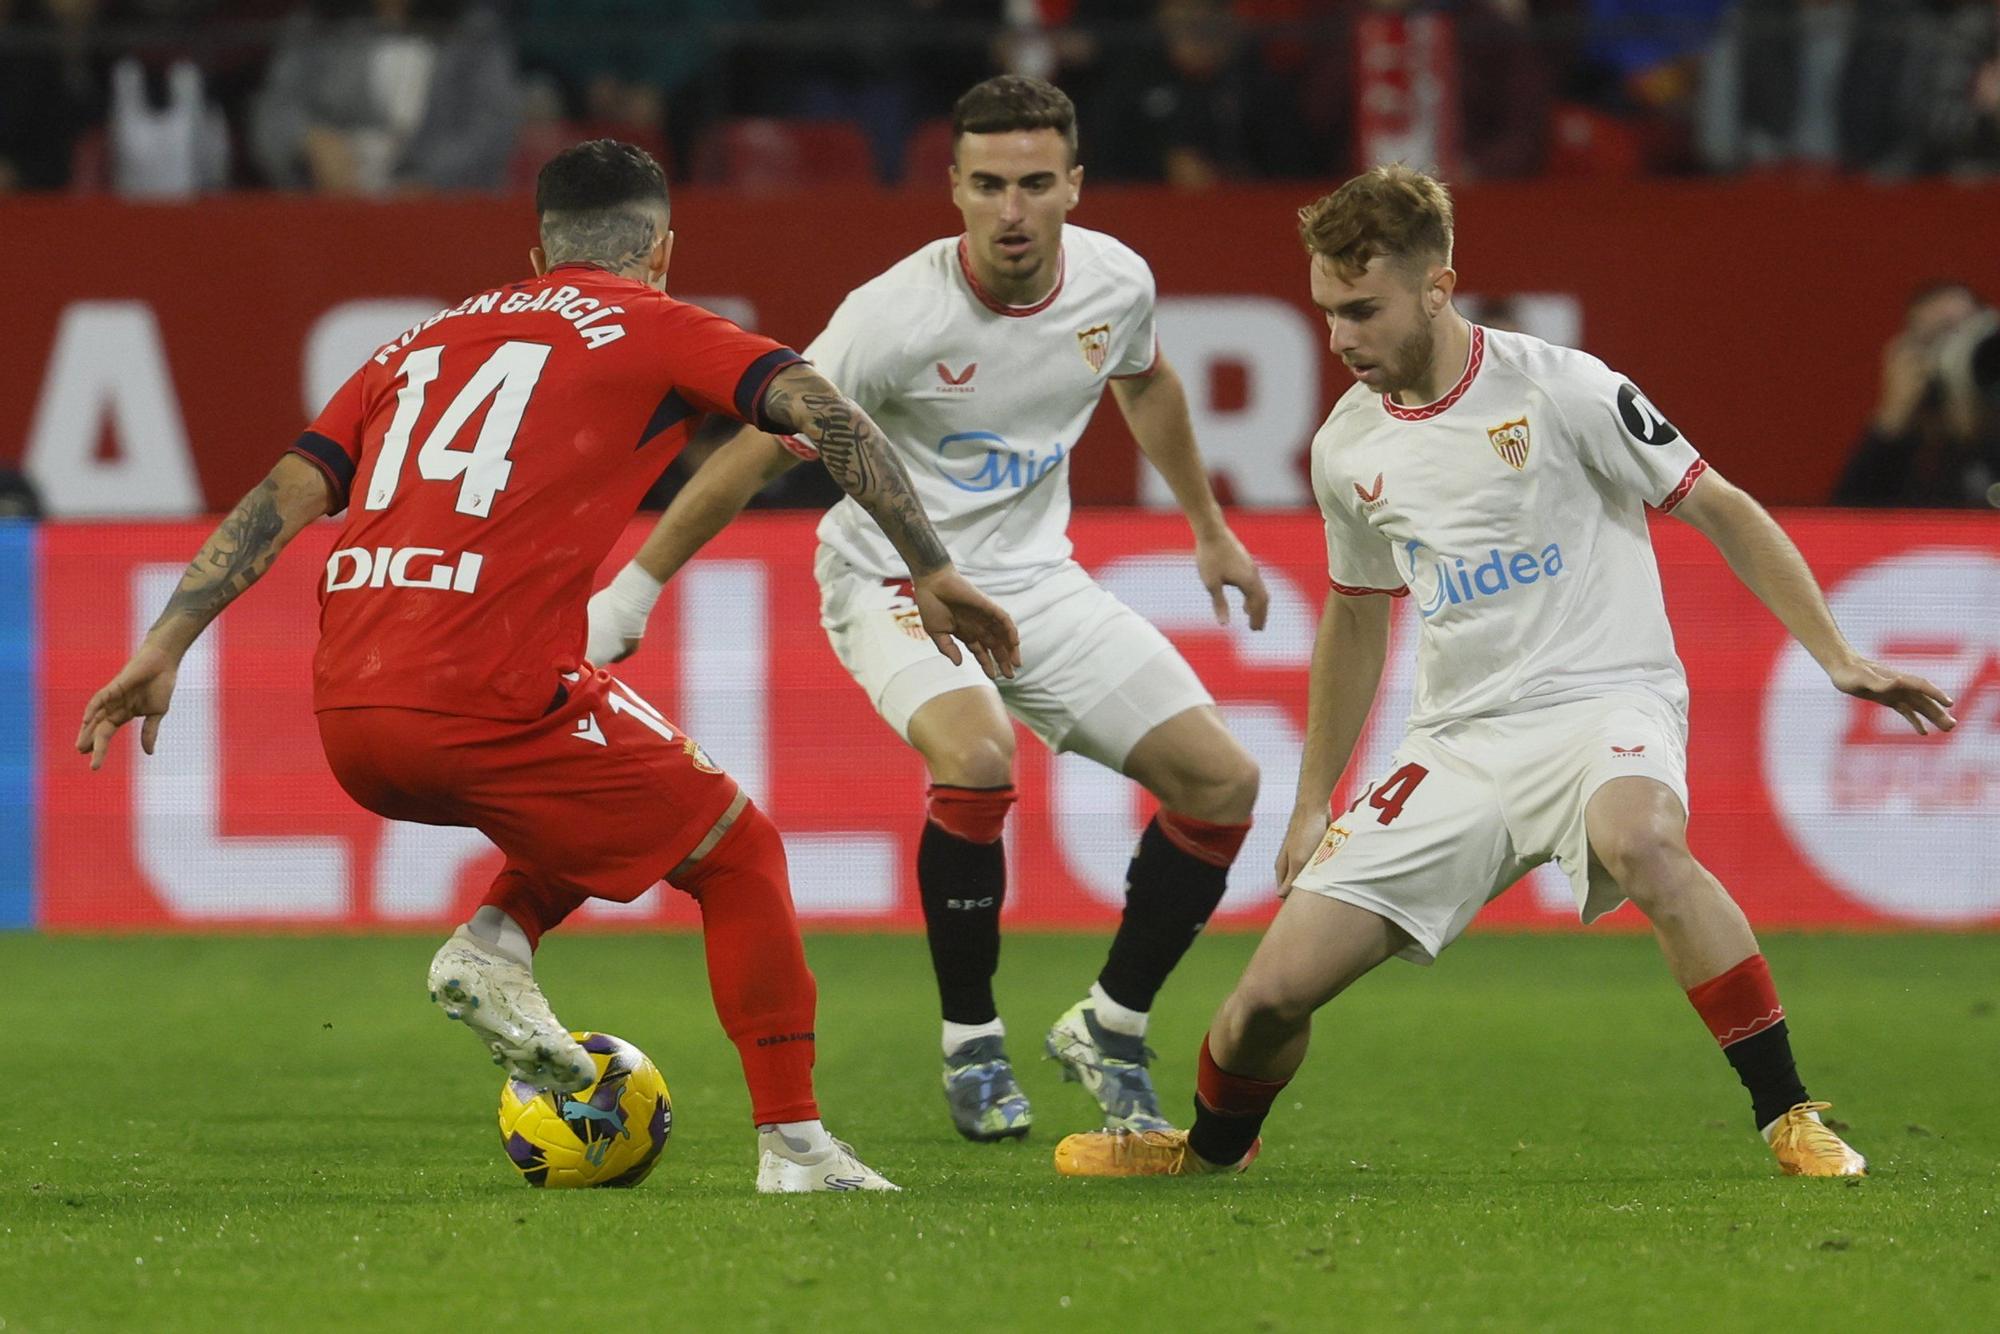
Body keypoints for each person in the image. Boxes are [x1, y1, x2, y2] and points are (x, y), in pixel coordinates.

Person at [75, 139, 1019, 1194]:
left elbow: (279, 497)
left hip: (349, 709)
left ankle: (495, 935)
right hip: (484, 691)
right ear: (661, 249)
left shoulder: (413, 343)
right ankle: (794, 1145)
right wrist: (930, 567)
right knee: (736, 849)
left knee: (616, 799)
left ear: (534, 252)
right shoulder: (656, 321)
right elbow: (829, 414)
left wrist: (164, 643)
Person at [1053, 164, 1957, 1181]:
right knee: (1265, 999)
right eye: (1324, 311)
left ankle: (1788, 1113)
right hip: (1456, 745)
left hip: (1602, 699)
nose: (1339, 336)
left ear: (1436, 286)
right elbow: (1354, 622)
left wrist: (1833, 650)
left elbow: (1719, 505)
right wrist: (1315, 801)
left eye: (1361, 308)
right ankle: (1207, 1149)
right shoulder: (1346, 447)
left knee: (1643, 839)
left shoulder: (1560, 386)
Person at [587, 75, 1270, 1144]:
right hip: (889, 580)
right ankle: (970, 1041)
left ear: (1073, 186)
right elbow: (763, 446)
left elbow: (1144, 381)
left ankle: (1110, 1019)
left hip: (1038, 580)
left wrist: (1207, 524)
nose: (1011, 210)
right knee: (977, 753)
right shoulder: (892, 314)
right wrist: (635, 583)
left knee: (1223, 781)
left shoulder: (1114, 281)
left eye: (1035, 184)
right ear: (951, 187)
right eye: (988, 184)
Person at [1833, 280, 2000, 508]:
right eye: (1939, 336)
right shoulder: (1914, 454)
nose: (1958, 349)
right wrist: (1892, 418)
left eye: (1967, 330)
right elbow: (1847, 521)